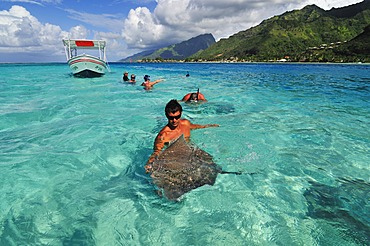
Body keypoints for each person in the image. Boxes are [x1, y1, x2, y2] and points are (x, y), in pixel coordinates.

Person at [145, 99, 219, 172]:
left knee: (212, 163)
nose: (174, 120)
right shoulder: (163, 136)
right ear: (166, 115)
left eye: (177, 117)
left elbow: (194, 126)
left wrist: (207, 126)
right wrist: (149, 163)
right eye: (171, 117)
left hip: (192, 150)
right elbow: (156, 153)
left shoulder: (185, 123)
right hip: (178, 157)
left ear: (181, 113)